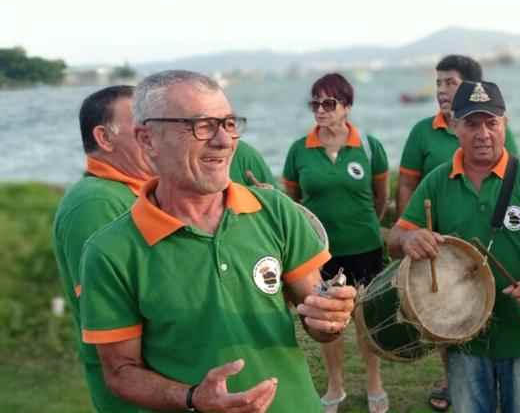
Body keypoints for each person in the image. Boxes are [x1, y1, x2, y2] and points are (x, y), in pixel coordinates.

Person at [78, 70, 356, 413]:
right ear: (148, 139)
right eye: (202, 126)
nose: (224, 141)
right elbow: (120, 372)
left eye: (228, 123)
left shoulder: (275, 210)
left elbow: (316, 316)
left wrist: (330, 318)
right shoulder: (110, 251)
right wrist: (194, 398)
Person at [388, 80, 520, 413]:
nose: (483, 133)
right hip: (462, 336)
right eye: (472, 124)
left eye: (491, 122)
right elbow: (395, 238)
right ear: (456, 127)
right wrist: (409, 238)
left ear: (505, 124)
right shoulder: (437, 181)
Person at [396, 54, 519, 411]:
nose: (441, 90)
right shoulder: (422, 131)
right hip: (441, 243)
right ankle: (454, 381)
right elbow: (406, 184)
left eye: (449, 83)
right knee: (447, 312)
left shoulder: (493, 128)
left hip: (486, 237)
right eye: (437, 83)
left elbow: (513, 177)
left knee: (487, 311)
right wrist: (410, 229)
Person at [282, 72, 390, 413]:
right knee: (330, 322)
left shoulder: (370, 147)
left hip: (365, 248)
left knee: (366, 321)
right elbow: (294, 202)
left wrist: (361, 224)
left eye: (329, 103)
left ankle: (375, 383)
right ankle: (335, 386)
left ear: (347, 106)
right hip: (321, 253)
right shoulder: (299, 150)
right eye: (315, 103)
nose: (320, 110)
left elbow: (380, 199)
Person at [53, 85, 153, 413]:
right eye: (141, 126)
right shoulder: (96, 202)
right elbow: (109, 306)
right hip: (139, 391)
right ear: (104, 138)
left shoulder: (130, 193)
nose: (155, 135)